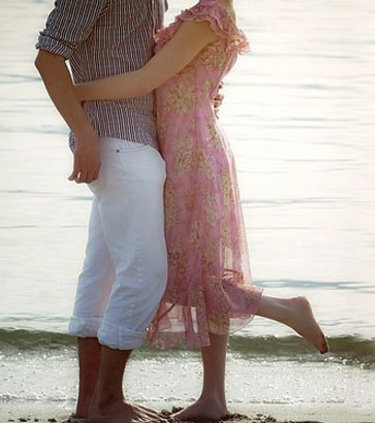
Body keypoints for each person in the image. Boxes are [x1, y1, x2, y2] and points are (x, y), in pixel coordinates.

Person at [74, 0, 329, 421]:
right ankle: (213, 398)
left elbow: (145, 80)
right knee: (199, 268)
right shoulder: (204, 15)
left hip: (189, 152)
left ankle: (284, 309)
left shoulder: (207, 18)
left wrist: (74, 92)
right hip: (179, 144)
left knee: (187, 271)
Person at [34, 1, 172, 422]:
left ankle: (90, 405)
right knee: (145, 275)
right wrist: (84, 134)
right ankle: (109, 402)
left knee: (103, 275)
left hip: (133, 142)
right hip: (117, 144)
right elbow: (48, 58)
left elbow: (141, 66)